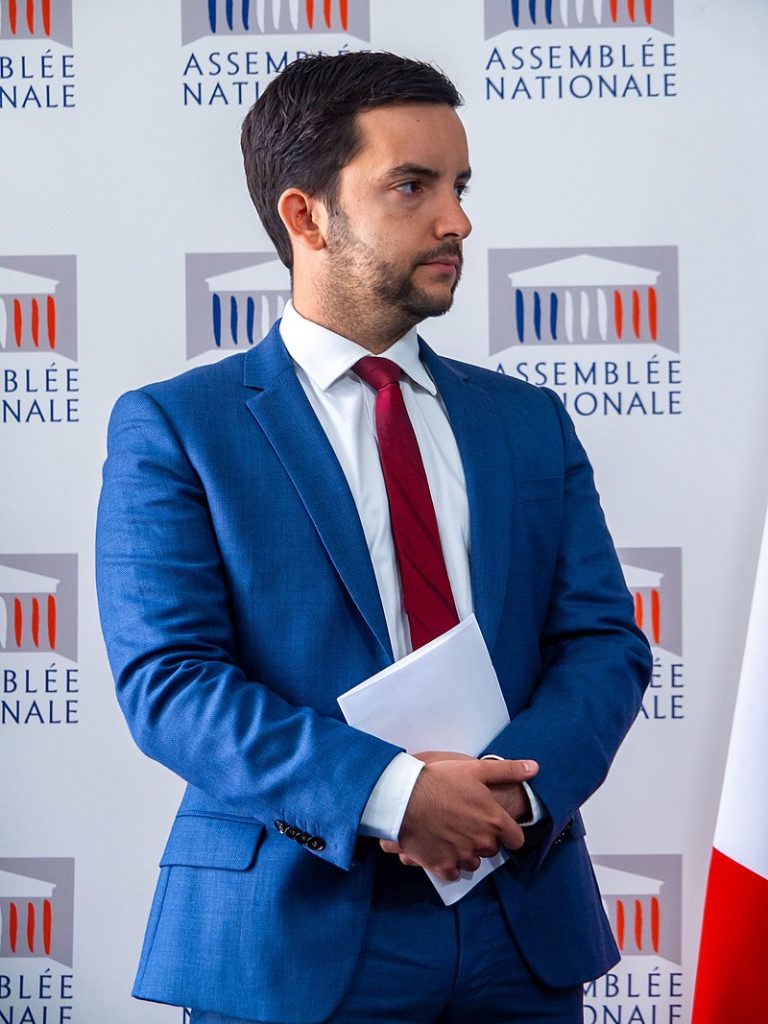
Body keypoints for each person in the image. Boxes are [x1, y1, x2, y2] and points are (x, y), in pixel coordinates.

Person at [96, 52, 652, 1024]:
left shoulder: (528, 422)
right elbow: (170, 681)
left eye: (460, 186)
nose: (457, 220)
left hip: (520, 916)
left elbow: (604, 642)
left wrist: (511, 800)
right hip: (292, 929)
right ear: (306, 216)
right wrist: (391, 794)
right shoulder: (180, 428)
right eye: (412, 186)